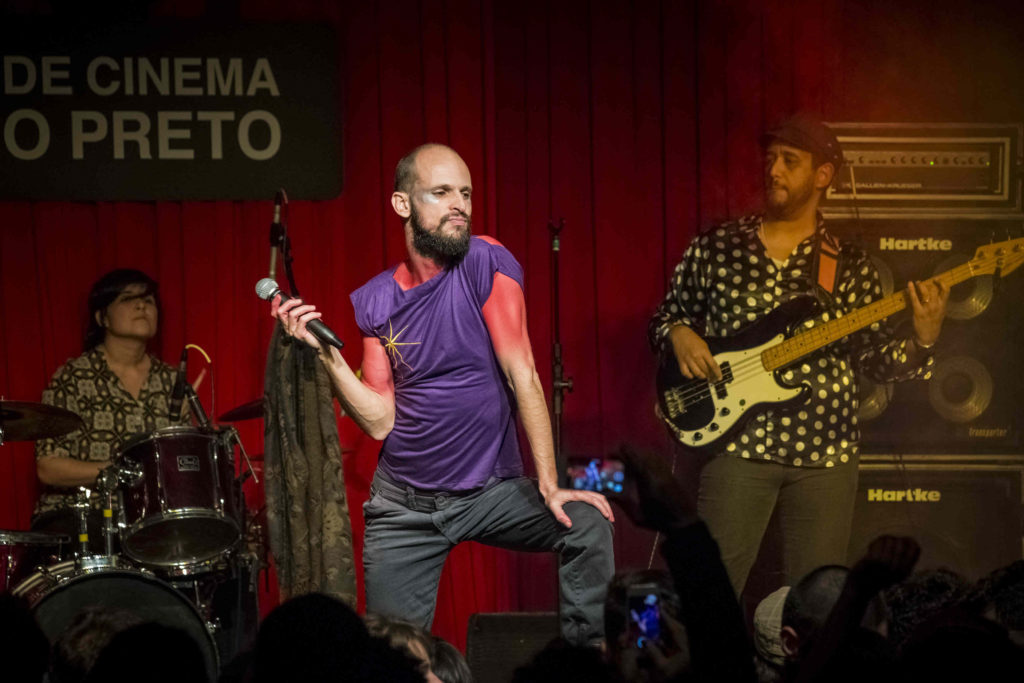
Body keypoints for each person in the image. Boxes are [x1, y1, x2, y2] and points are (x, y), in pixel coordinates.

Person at [273, 143, 614, 645]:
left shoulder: (485, 262)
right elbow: (378, 420)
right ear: (402, 204)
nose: (460, 204)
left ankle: (585, 669)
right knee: (394, 655)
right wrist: (329, 358)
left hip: (488, 493)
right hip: (403, 507)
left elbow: (524, 374)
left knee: (585, 523)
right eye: (441, 192)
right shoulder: (376, 301)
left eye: (466, 193)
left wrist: (550, 484)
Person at [648, 115, 950, 596]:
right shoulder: (717, 246)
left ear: (824, 175)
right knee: (709, 596)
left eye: (790, 161)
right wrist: (680, 332)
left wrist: (923, 340)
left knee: (817, 602)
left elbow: (876, 359)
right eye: (770, 160)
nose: (773, 171)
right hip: (736, 446)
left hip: (824, 458)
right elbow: (665, 317)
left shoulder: (848, 264)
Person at [32, 269, 189, 541]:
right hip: (79, 515)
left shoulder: (172, 382)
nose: (142, 305)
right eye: (128, 299)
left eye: (149, 300)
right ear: (102, 317)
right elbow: (48, 466)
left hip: (148, 519)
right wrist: (116, 472)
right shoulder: (73, 376)